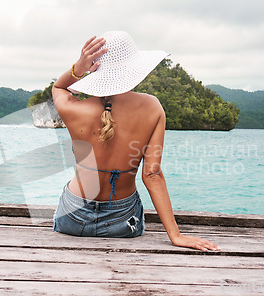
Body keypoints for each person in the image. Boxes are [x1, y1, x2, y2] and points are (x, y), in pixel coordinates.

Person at [51, 31, 219, 251]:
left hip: (73, 218)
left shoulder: (75, 108)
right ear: (133, 68)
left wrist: (79, 68)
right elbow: (152, 174)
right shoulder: (152, 108)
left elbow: (59, 87)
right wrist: (175, 235)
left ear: (97, 70)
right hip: (123, 222)